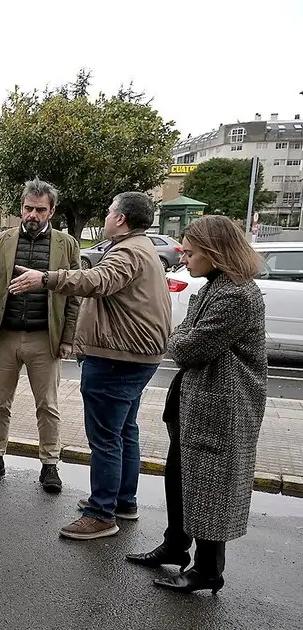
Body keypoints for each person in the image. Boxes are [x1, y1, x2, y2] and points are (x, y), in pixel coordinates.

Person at [9, 191, 172, 539]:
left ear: (122, 219)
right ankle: (121, 502)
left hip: (116, 357)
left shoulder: (128, 251)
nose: (107, 215)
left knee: (106, 438)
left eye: (110, 210)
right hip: (135, 356)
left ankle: (101, 514)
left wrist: (47, 279)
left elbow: (97, 282)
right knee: (125, 430)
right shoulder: (142, 248)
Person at [126, 215, 266, 594]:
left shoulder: (236, 295)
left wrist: (180, 336)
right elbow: (185, 333)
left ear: (214, 252)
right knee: (179, 478)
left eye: (189, 252)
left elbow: (188, 346)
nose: (183, 258)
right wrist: (181, 335)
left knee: (210, 489)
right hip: (196, 404)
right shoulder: (214, 286)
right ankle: (175, 547)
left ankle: (208, 570)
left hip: (222, 408)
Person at [0, 179, 80, 493]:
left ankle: (49, 463)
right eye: (28, 208)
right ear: (21, 208)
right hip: (4, 335)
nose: (33, 215)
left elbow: (74, 295)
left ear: (51, 211)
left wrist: (68, 337)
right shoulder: (2, 241)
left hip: (45, 338)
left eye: (40, 209)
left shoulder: (67, 244)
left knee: (47, 405)